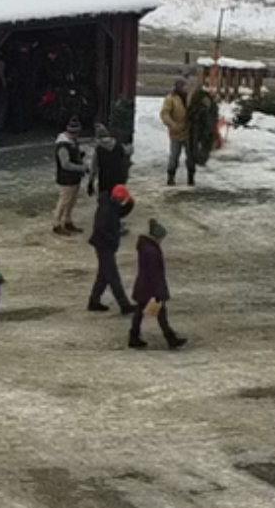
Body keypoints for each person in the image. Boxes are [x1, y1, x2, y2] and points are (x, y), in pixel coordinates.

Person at [128, 219, 186, 350]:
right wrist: (158, 293)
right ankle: (170, 338)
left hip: (143, 286)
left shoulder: (145, 247)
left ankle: (134, 336)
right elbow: (155, 274)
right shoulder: (152, 251)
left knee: (140, 312)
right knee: (160, 315)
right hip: (151, 289)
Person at [87, 185, 135, 313]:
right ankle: (124, 305)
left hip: (104, 244)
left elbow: (120, 213)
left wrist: (130, 204)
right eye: (122, 200)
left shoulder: (110, 205)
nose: (122, 202)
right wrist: (113, 240)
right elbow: (101, 229)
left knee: (103, 275)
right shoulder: (107, 209)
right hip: (104, 245)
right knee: (113, 276)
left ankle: (94, 301)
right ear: (118, 198)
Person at [51, 118, 88, 235]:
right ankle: (56, 224)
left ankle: (67, 221)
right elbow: (65, 164)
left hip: (74, 178)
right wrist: (81, 168)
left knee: (71, 202)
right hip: (66, 179)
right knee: (63, 202)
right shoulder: (63, 146)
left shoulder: (73, 142)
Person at [183, 81, 217, 185]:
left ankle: (191, 175)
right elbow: (211, 118)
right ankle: (191, 175)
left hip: (195, 131)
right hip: (198, 130)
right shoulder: (206, 102)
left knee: (191, 153)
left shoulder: (199, 102)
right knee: (193, 152)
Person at [160, 78, 192, 186]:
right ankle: (171, 177)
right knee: (174, 156)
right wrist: (172, 125)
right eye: (184, 86)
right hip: (176, 133)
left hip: (189, 132)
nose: (186, 88)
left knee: (191, 157)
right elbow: (165, 114)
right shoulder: (170, 99)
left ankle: (191, 178)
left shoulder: (190, 98)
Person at [89, 121, 131, 196]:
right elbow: (127, 161)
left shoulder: (98, 150)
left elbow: (93, 169)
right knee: (118, 202)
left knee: (105, 203)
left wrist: (90, 183)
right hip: (119, 179)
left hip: (105, 181)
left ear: (98, 137)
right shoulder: (119, 146)